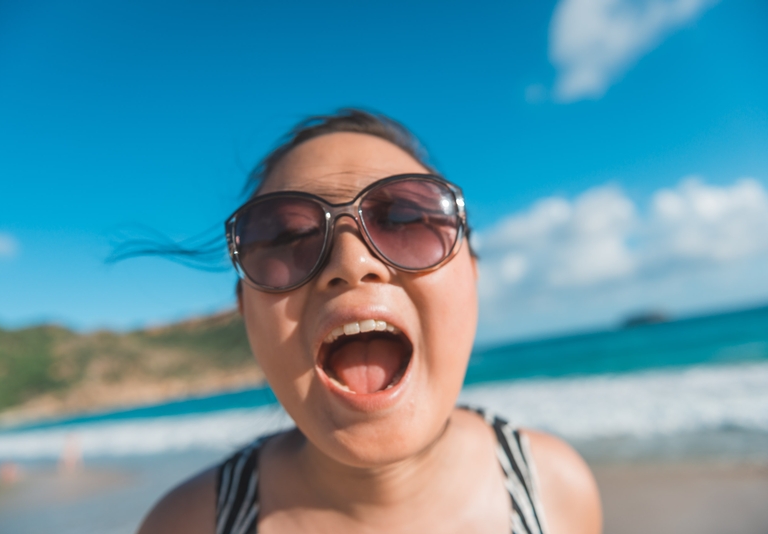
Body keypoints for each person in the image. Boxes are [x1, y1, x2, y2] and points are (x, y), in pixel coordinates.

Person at [138, 109, 602, 534]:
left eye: (405, 217)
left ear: (472, 272)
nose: (352, 260)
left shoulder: (556, 489)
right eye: (288, 235)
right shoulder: (186, 525)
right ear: (246, 310)